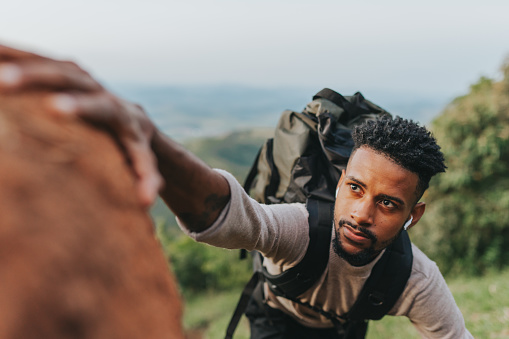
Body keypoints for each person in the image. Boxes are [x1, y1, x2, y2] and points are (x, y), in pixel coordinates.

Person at [0, 44, 473, 338]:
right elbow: (229, 213)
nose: (361, 213)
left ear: (415, 216)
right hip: (275, 319)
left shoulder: (414, 280)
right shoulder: (303, 229)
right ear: (343, 181)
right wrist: (152, 138)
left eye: (388, 203)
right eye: (354, 188)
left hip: (345, 329)